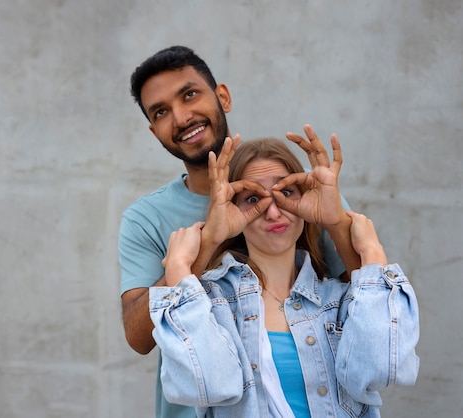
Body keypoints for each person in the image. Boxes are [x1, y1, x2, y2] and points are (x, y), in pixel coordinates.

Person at [119, 45, 357, 418]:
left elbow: (369, 304)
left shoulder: (293, 190)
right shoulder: (146, 217)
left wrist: (336, 222)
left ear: (223, 97)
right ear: (154, 131)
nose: (181, 117)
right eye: (162, 112)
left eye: (190, 94)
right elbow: (138, 337)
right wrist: (205, 244)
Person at [149, 133, 420, 417]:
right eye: (253, 198)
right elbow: (209, 386)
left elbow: (380, 371)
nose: (274, 212)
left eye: (286, 192)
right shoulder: (210, 304)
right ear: (231, 211)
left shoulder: (343, 301)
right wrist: (180, 269)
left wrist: (371, 253)